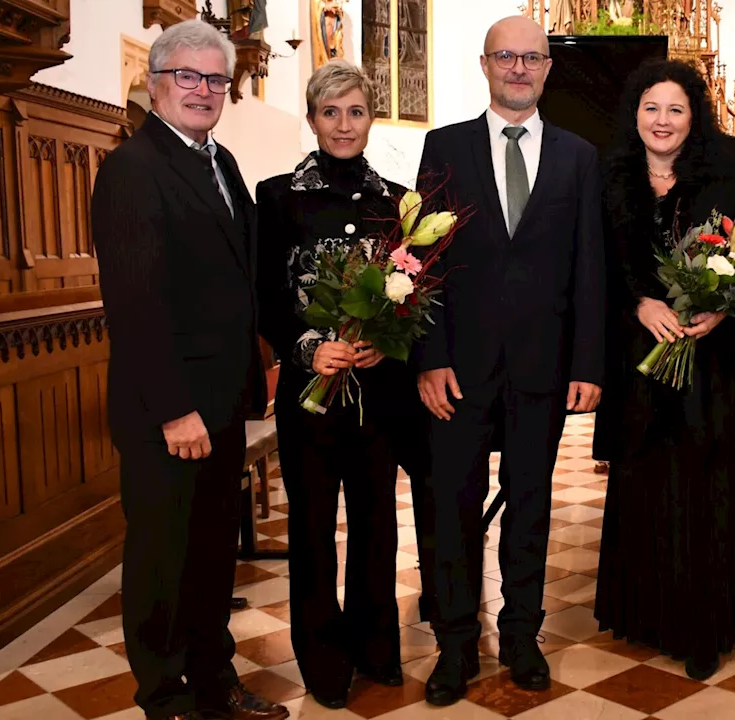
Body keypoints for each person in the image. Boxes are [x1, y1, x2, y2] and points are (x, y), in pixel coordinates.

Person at [91, 19, 284, 720]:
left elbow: (241, 279)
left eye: (215, 80)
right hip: (169, 413)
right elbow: (136, 305)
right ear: (155, 82)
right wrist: (175, 409)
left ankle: (213, 680)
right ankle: (164, 695)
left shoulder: (221, 161)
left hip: (223, 402)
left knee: (209, 559)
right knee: (162, 563)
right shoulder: (131, 170)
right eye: (188, 77)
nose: (203, 91)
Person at [414, 15, 606, 707]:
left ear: (548, 68)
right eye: (506, 56)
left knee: (530, 506)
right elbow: (421, 263)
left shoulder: (581, 157)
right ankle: (457, 644)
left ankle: (522, 635)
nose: (519, 68)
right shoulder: (445, 147)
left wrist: (588, 363)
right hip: (458, 369)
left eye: (532, 57)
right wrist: (428, 359)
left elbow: (590, 269)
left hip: (543, 368)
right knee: (455, 504)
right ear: (485, 64)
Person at [593, 59, 735, 681]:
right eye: (651, 108)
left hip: (713, 371)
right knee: (648, 481)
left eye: (675, 109)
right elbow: (593, 271)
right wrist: (637, 305)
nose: (662, 120)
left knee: (709, 487)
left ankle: (709, 624)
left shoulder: (728, 173)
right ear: (634, 115)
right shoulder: (609, 177)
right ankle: (647, 616)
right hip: (640, 367)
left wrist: (722, 310)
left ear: (694, 115)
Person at [255, 60, 409, 709]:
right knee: (314, 529)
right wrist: (309, 349)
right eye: (330, 112)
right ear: (313, 118)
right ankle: (322, 658)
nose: (344, 125)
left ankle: (375, 647)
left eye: (356, 111)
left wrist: (387, 343)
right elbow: (264, 296)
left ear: (371, 118)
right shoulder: (277, 195)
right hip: (308, 398)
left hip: (376, 399)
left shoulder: (397, 200)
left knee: (377, 524)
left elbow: (413, 294)